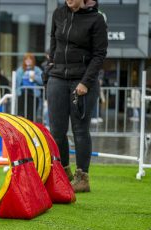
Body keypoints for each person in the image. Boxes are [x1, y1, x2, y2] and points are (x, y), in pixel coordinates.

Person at [44, 0, 108, 193]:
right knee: (56, 131)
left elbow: (99, 54)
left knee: (80, 130)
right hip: (57, 77)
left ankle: (82, 178)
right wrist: (50, 68)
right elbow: (53, 44)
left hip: (81, 81)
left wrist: (86, 82)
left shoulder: (96, 19)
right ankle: (64, 173)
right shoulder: (58, 14)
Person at [15, 53, 43, 121]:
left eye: (30, 59)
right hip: (22, 94)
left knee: (32, 114)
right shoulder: (20, 70)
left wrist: (35, 77)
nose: (28, 61)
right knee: (21, 114)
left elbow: (43, 80)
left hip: (33, 95)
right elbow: (17, 83)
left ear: (33, 60)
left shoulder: (37, 70)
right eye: (26, 59)